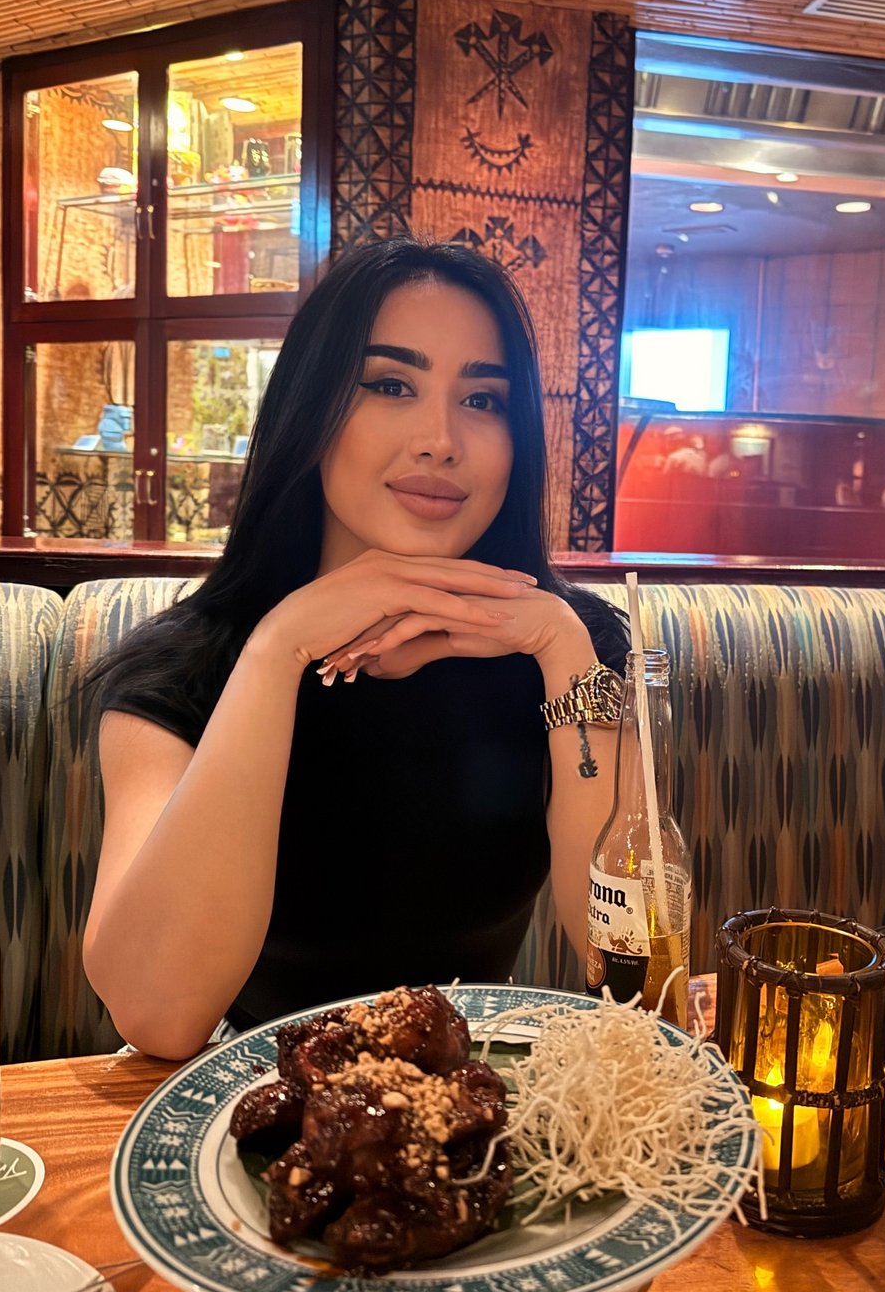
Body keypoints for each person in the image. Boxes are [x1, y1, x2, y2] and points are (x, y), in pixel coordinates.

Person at [82, 238, 628, 1060]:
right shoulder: (183, 668)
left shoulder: (574, 647)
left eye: (483, 400)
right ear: (312, 411)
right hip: (245, 1102)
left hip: (480, 1089)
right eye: (391, 385)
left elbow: (630, 964)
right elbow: (157, 1014)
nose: (441, 440)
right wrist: (278, 650)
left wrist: (561, 647)